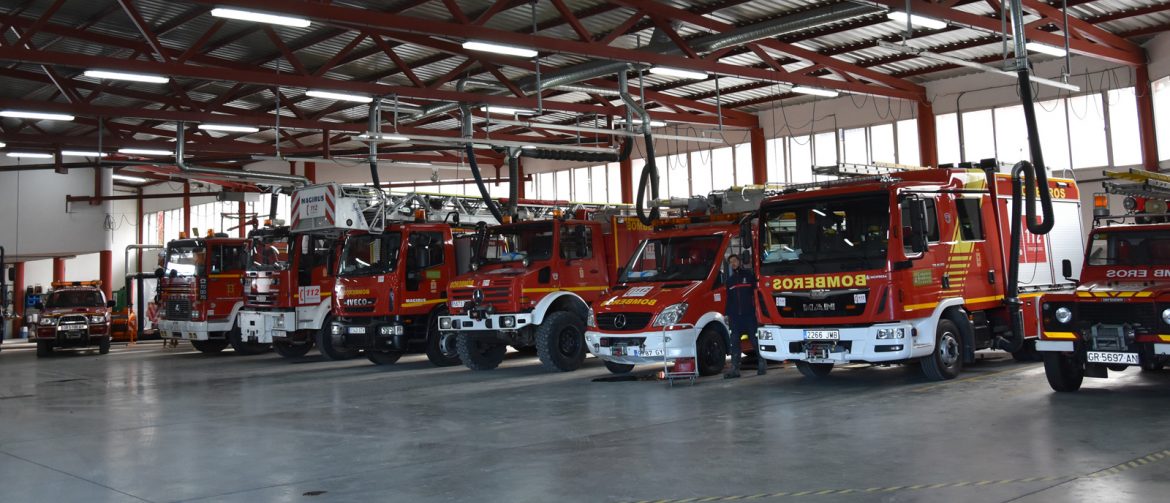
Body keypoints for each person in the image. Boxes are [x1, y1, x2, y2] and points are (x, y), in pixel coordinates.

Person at [724, 253, 765, 378]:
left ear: (739, 261)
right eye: (731, 262)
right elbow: (729, 299)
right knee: (734, 341)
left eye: (735, 261)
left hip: (749, 315)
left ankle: (762, 364)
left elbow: (756, 295)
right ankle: (735, 369)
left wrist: (759, 313)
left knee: (754, 340)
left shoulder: (749, 276)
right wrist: (727, 315)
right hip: (735, 317)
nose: (733, 263)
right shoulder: (729, 281)